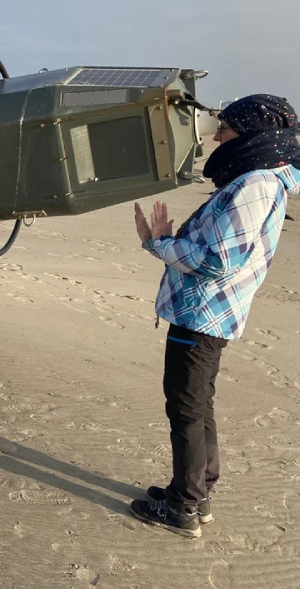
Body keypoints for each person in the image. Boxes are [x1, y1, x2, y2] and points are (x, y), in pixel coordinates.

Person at [130, 94, 300, 538]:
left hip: (202, 313)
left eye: (225, 128)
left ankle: (184, 507)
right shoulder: (263, 179)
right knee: (197, 406)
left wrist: (159, 243)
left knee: (185, 408)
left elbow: (219, 261)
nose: (217, 135)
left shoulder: (256, 183)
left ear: (253, 135)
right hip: (211, 312)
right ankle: (194, 492)